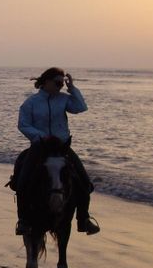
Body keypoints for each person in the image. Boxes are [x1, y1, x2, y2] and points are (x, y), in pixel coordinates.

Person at [12, 67, 100, 236]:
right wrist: (41, 137)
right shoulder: (30, 103)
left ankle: (84, 219)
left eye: (62, 83)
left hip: (62, 147)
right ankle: (23, 220)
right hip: (40, 147)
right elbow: (23, 124)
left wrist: (72, 88)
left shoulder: (64, 99)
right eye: (57, 82)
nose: (60, 86)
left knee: (84, 181)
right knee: (22, 181)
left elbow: (81, 107)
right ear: (46, 82)